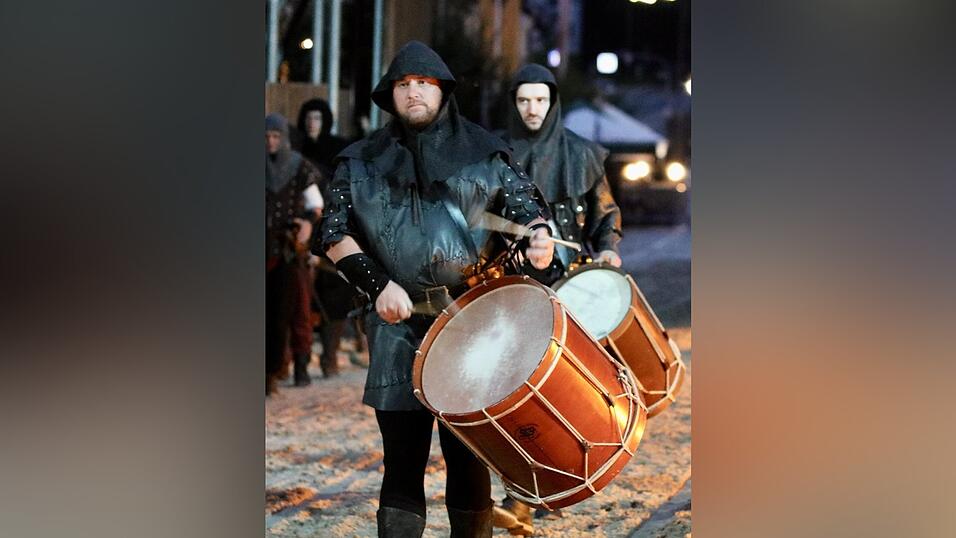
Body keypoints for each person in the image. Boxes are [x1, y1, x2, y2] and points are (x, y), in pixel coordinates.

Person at [316, 41, 554, 537]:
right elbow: (333, 233)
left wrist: (538, 235)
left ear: (442, 91)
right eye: (403, 85)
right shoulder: (359, 162)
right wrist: (377, 285)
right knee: (401, 459)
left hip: (471, 325)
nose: (413, 92)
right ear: (391, 96)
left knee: (467, 458)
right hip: (396, 328)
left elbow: (525, 206)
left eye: (423, 83)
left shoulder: (484, 153)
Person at [492, 64, 624, 535]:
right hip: (509, 286)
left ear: (552, 103)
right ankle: (519, 496)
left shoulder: (580, 153)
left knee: (564, 394)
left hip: (567, 287)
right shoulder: (493, 152)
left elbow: (603, 211)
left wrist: (607, 247)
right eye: (523, 100)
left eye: (540, 100)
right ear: (513, 102)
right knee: (515, 393)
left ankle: (557, 478)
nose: (532, 109)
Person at [294, 98, 362, 377]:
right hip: (301, 227)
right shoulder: (294, 150)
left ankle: (330, 355)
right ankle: (301, 357)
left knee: (335, 291)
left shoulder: (337, 150)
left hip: (332, 226)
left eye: (317, 119)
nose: (313, 124)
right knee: (301, 297)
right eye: (308, 118)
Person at [266, 113, 323, 395]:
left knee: (292, 310)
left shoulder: (297, 166)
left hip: (288, 248)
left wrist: (306, 225)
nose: (270, 142)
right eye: (266, 137)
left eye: (276, 136)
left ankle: (292, 367)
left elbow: (315, 205)